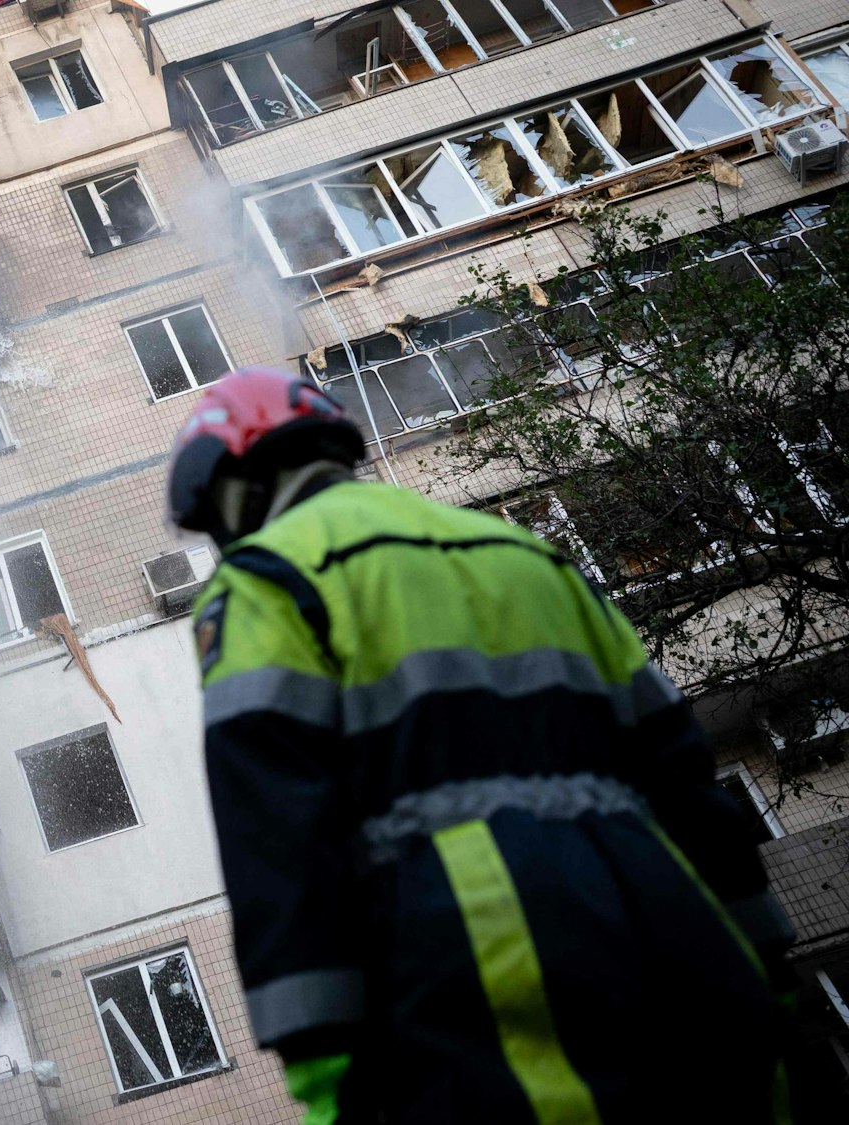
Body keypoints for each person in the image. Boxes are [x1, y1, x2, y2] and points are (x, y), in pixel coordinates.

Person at [165, 367, 795, 1124]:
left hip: (478, 978)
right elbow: (686, 780)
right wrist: (763, 961)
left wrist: (329, 1069)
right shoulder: (530, 555)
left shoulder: (265, 582)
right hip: (681, 956)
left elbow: (279, 839)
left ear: (236, 481)